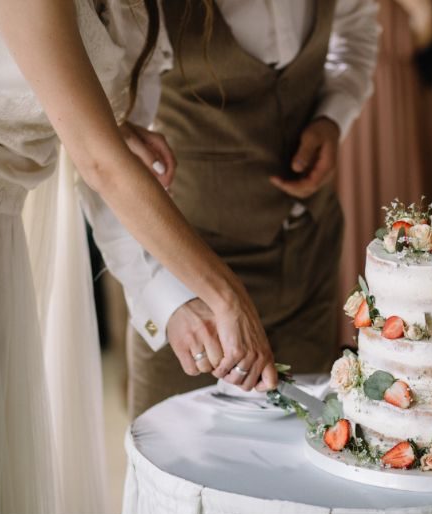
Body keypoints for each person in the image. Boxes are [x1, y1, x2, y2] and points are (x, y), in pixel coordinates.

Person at [0, 0, 277, 514]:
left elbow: (94, 140)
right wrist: (226, 293)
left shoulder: (139, 13)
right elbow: (100, 161)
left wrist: (173, 300)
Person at [122, 0, 380, 418]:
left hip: (309, 262)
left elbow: (357, 33)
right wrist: (167, 299)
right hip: (190, 288)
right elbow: (109, 158)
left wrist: (333, 117)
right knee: (180, 470)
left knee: (301, 459)